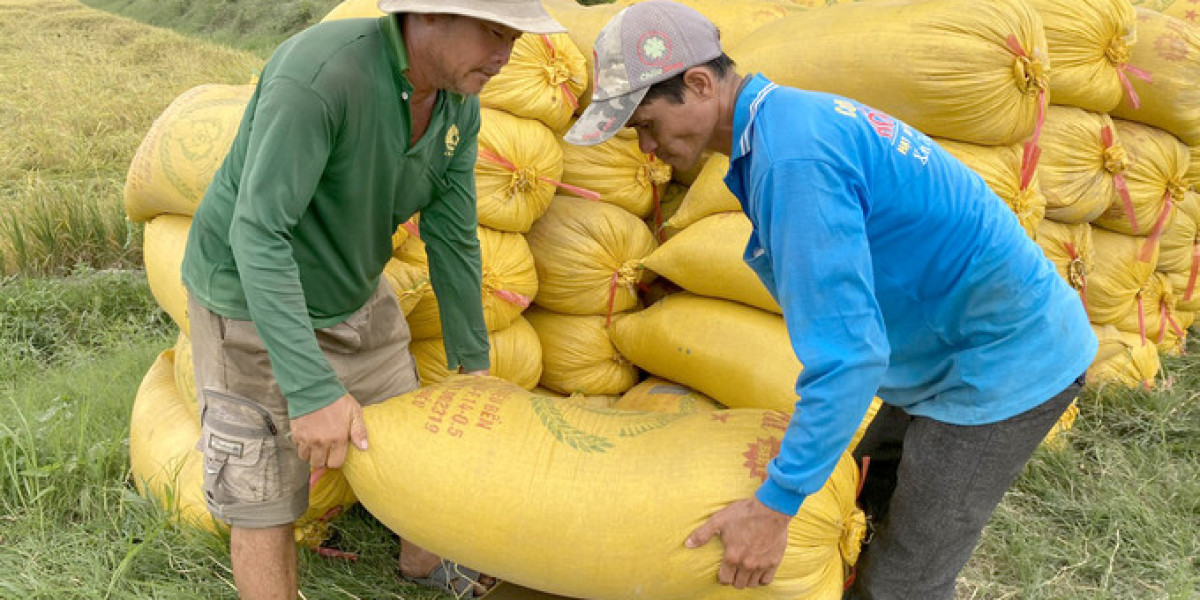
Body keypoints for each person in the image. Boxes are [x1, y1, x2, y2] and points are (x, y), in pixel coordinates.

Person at [564, 2, 1098, 598]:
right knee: (860, 505)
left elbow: (850, 358)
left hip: (1002, 364)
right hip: (955, 346)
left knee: (902, 583)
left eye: (645, 125)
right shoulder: (783, 124)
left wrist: (774, 509)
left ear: (697, 83)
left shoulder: (795, 161)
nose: (646, 147)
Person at [181, 1, 564, 598]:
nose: (505, 57)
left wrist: (473, 364)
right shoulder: (321, 76)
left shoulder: (457, 100)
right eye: (494, 33)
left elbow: (453, 235)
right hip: (250, 300)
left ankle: (425, 562)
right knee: (266, 495)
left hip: (356, 291)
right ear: (429, 15)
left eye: (513, 39)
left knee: (414, 440)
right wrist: (310, 392)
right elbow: (258, 234)